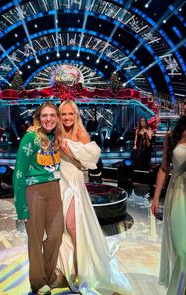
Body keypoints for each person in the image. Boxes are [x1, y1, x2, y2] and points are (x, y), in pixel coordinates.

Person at [56, 100, 132, 294]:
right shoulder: (57, 132)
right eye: (63, 114)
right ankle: (66, 265)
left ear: (76, 115)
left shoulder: (81, 134)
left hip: (73, 182)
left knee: (72, 225)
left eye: (70, 114)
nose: (67, 118)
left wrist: (68, 154)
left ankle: (82, 266)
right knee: (62, 226)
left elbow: (86, 164)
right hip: (59, 181)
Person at [13, 102, 64, 295]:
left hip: (54, 190)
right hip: (33, 191)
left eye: (52, 115)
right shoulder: (30, 138)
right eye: (44, 115)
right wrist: (21, 208)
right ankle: (38, 281)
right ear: (38, 118)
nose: (49, 119)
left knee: (55, 236)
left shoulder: (57, 138)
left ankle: (49, 276)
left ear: (57, 118)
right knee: (34, 238)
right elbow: (18, 173)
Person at [151, 115, 186, 295]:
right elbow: (164, 168)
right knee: (181, 250)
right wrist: (156, 198)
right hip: (178, 194)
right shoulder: (173, 136)